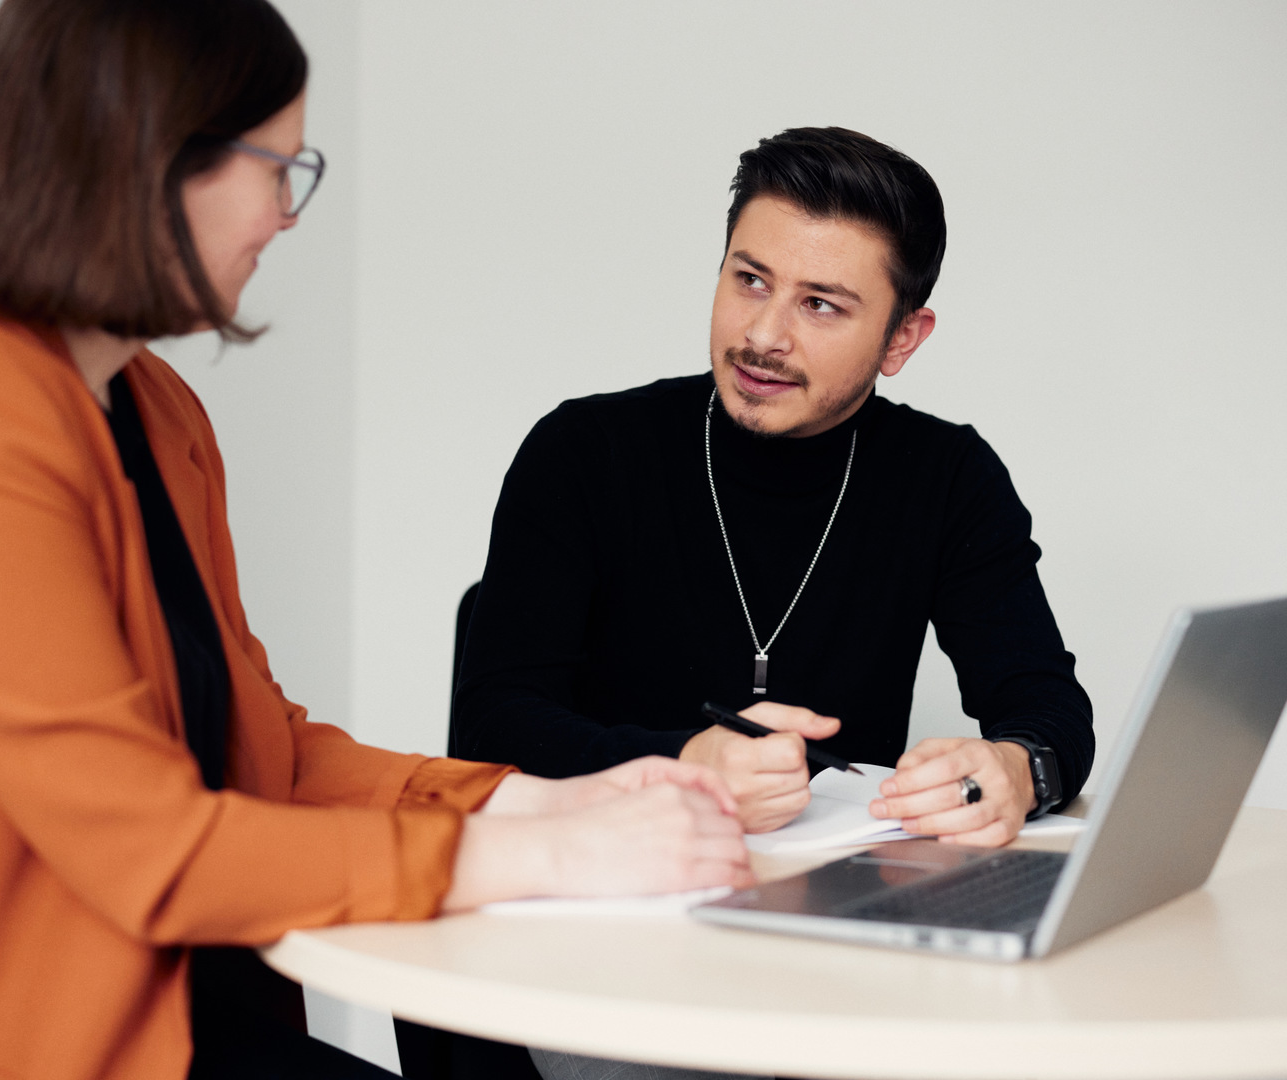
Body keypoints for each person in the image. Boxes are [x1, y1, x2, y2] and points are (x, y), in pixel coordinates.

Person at [0, 3, 752, 1078]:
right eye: (280, 168)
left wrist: (547, 797)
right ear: (148, 161)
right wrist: (549, 852)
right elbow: (151, 846)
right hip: (22, 1043)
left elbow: (258, 745)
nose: (286, 215)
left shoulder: (155, 406)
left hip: (191, 1012)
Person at [456, 124, 1096, 1080]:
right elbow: (494, 720)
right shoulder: (584, 453)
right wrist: (681, 761)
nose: (763, 334)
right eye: (748, 280)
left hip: (832, 952)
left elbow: (1049, 705)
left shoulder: (946, 478)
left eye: (822, 305)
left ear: (903, 339)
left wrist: (1015, 768)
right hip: (598, 940)